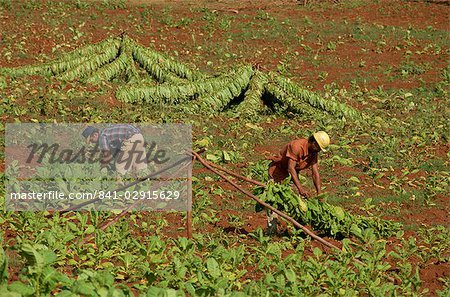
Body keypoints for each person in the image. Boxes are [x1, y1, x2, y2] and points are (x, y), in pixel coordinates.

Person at [265, 131, 330, 235]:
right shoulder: (297, 146)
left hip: (291, 176)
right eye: (319, 148)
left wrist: (319, 193)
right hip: (278, 172)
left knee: (291, 202)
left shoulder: (313, 153)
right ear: (314, 143)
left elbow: (315, 173)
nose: (319, 151)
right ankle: (271, 232)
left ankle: (289, 230)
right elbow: (290, 168)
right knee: (273, 202)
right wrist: (300, 188)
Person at [82, 124, 148, 176]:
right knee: (140, 166)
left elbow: (106, 155)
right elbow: (115, 151)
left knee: (121, 168)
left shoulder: (102, 136)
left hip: (130, 139)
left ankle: (122, 190)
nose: (92, 142)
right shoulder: (107, 131)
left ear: (95, 135)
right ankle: (144, 187)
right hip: (139, 137)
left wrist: (102, 167)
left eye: (91, 140)